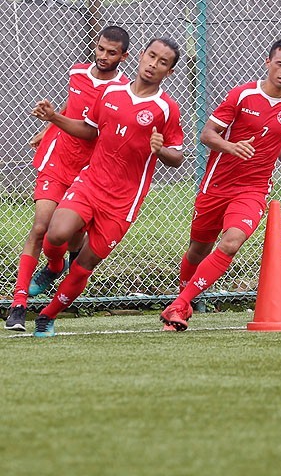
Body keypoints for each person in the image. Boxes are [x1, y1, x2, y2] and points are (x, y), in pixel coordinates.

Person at [29, 38, 185, 337]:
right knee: (56, 233)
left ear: (170, 72)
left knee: (84, 265)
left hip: (123, 202)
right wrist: (54, 118)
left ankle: (48, 316)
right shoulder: (111, 91)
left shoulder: (166, 109)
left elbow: (177, 157)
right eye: (151, 56)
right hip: (90, 183)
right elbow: (90, 130)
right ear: (140, 56)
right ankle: (52, 265)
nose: (154, 64)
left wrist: (160, 150)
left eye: (163, 62)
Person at [159, 39, 281, 331]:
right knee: (197, 251)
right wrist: (230, 146)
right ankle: (183, 302)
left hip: (253, 190)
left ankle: (178, 305)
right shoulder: (242, 95)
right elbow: (207, 134)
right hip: (215, 186)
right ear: (268, 62)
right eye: (280, 64)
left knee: (231, 242)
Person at [3, 27, 129, 331]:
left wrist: (53, 121)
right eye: (100, 49)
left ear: (124, 56)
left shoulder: (122, 90)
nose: (103, 56)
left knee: (71, 235)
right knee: (41, 226)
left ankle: (56, 266)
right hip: (58, 160)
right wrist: (48, 130)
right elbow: (73, 110)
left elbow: (93, 130)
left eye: (111, 52)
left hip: (90, 171)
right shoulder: (77, 72)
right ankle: (18, 305)